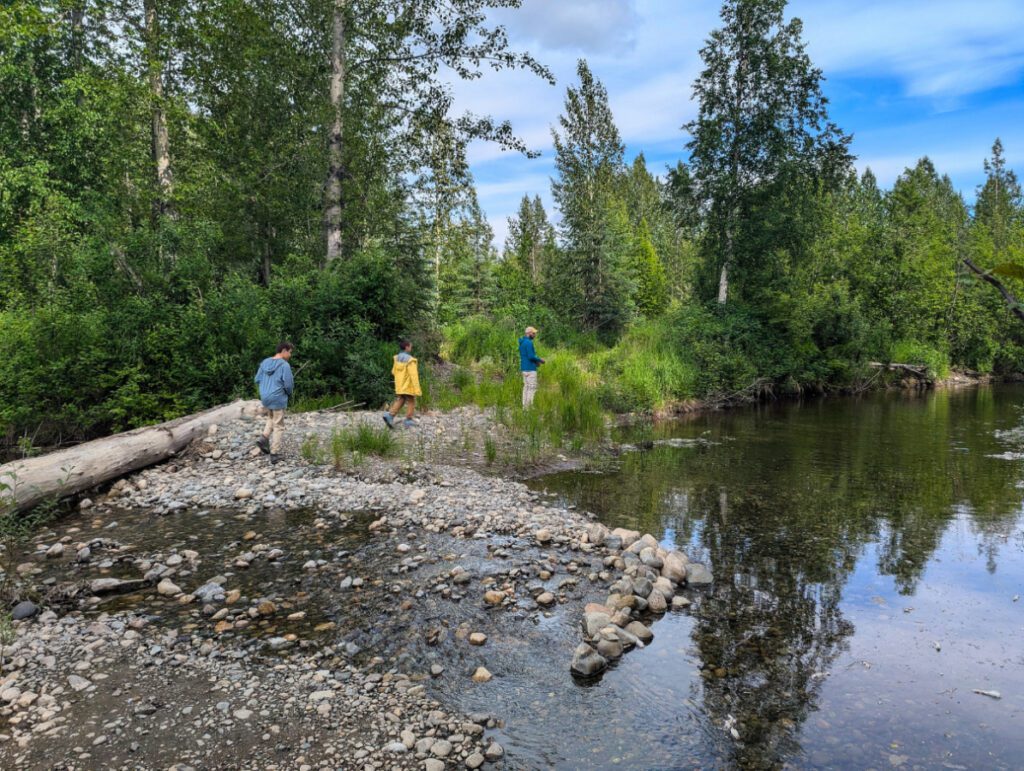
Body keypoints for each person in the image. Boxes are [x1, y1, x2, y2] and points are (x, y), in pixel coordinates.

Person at [254, 342, 294, 463]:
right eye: (290, 352)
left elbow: (257, 379)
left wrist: (266, 388)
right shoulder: (284, 365)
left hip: (265, 397)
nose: (290, 355)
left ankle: (264, 438)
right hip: (277, 397)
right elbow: (288, 384)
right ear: (284, 351)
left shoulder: (265, 362)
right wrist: (288, 393)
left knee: (271, 418)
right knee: (279, 425)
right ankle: (275, 454)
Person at [383, 339, 421, 429]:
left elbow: (393, 372)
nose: (411, 348)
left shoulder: (397, 358)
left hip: (400, 385)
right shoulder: (411, 360)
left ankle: (390, 415)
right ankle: (408, 420)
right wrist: (417, 389)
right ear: (407, 347)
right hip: (408, 385)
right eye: (410, 346)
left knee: (401, 399)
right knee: (411, 400)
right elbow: (413, 375)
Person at [518, 326, 545, 408]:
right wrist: (540, 360)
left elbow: (526, 356)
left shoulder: (522, 343)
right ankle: (529, 407)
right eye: (533, 333)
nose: (534, 335)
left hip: (524, 368)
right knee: (532, 388)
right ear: (529, 333)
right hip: (530, 369)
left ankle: (524, 407)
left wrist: (535, 361)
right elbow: (530, 356)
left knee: (526, 387)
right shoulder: (529, 343)